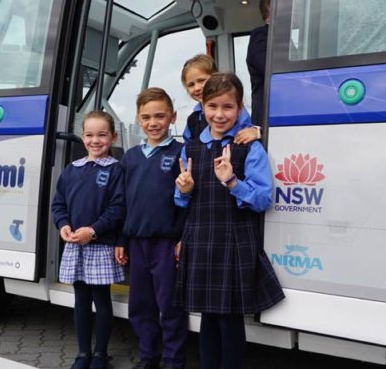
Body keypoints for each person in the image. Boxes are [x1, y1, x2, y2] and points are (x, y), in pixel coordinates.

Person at [174, 74, 284, 369]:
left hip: (234, 240)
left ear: (240, 108)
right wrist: (183, 190)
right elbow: (181, 200)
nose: (219, 114)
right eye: (212, 106)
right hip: (200, 237)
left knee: (230, 318)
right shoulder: (191, 147)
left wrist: (233, 181)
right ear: (202, 106)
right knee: (208, 317)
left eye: (227, 107)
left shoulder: (250, 148)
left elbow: (263, 200)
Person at [116, 88, 188, 369]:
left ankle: (173, 360)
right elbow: (123, 203)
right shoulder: (131, 157)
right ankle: (148, 357)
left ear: (172, 117)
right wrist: (122, 239)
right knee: (141, 306)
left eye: (160, 116)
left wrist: (183, 238)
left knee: (169, 306)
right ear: (138, 119)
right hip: (137, 244)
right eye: (146, 117)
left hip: (166, 244)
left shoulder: (181, 153)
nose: (153, 122)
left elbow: (188, 201)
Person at [52, 111, 126, 369]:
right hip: (75, 245)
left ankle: (101, 354)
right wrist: (63, 225)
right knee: (81, 300)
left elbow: (118, 209)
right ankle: (83, 353)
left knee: (101, 300)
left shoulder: (117, 170)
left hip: (101, 246)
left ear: (113, 137)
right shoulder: (72, 170)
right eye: (90, 135)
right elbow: (58, 204)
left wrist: (92, 231)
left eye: (102, 135)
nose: (96, 140)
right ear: (82, 137)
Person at [180, 54, 259, 144]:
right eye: (191, 85)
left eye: (201, 80)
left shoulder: (235, 110)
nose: (197, 88)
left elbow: (247, 128)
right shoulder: (192, 119)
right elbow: (187, 143)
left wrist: (255, 131)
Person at [246, 0, 271, 126]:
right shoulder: (261, 36)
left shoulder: (280, 38)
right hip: (266, 117)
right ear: (271, 6)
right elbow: (270, 68)